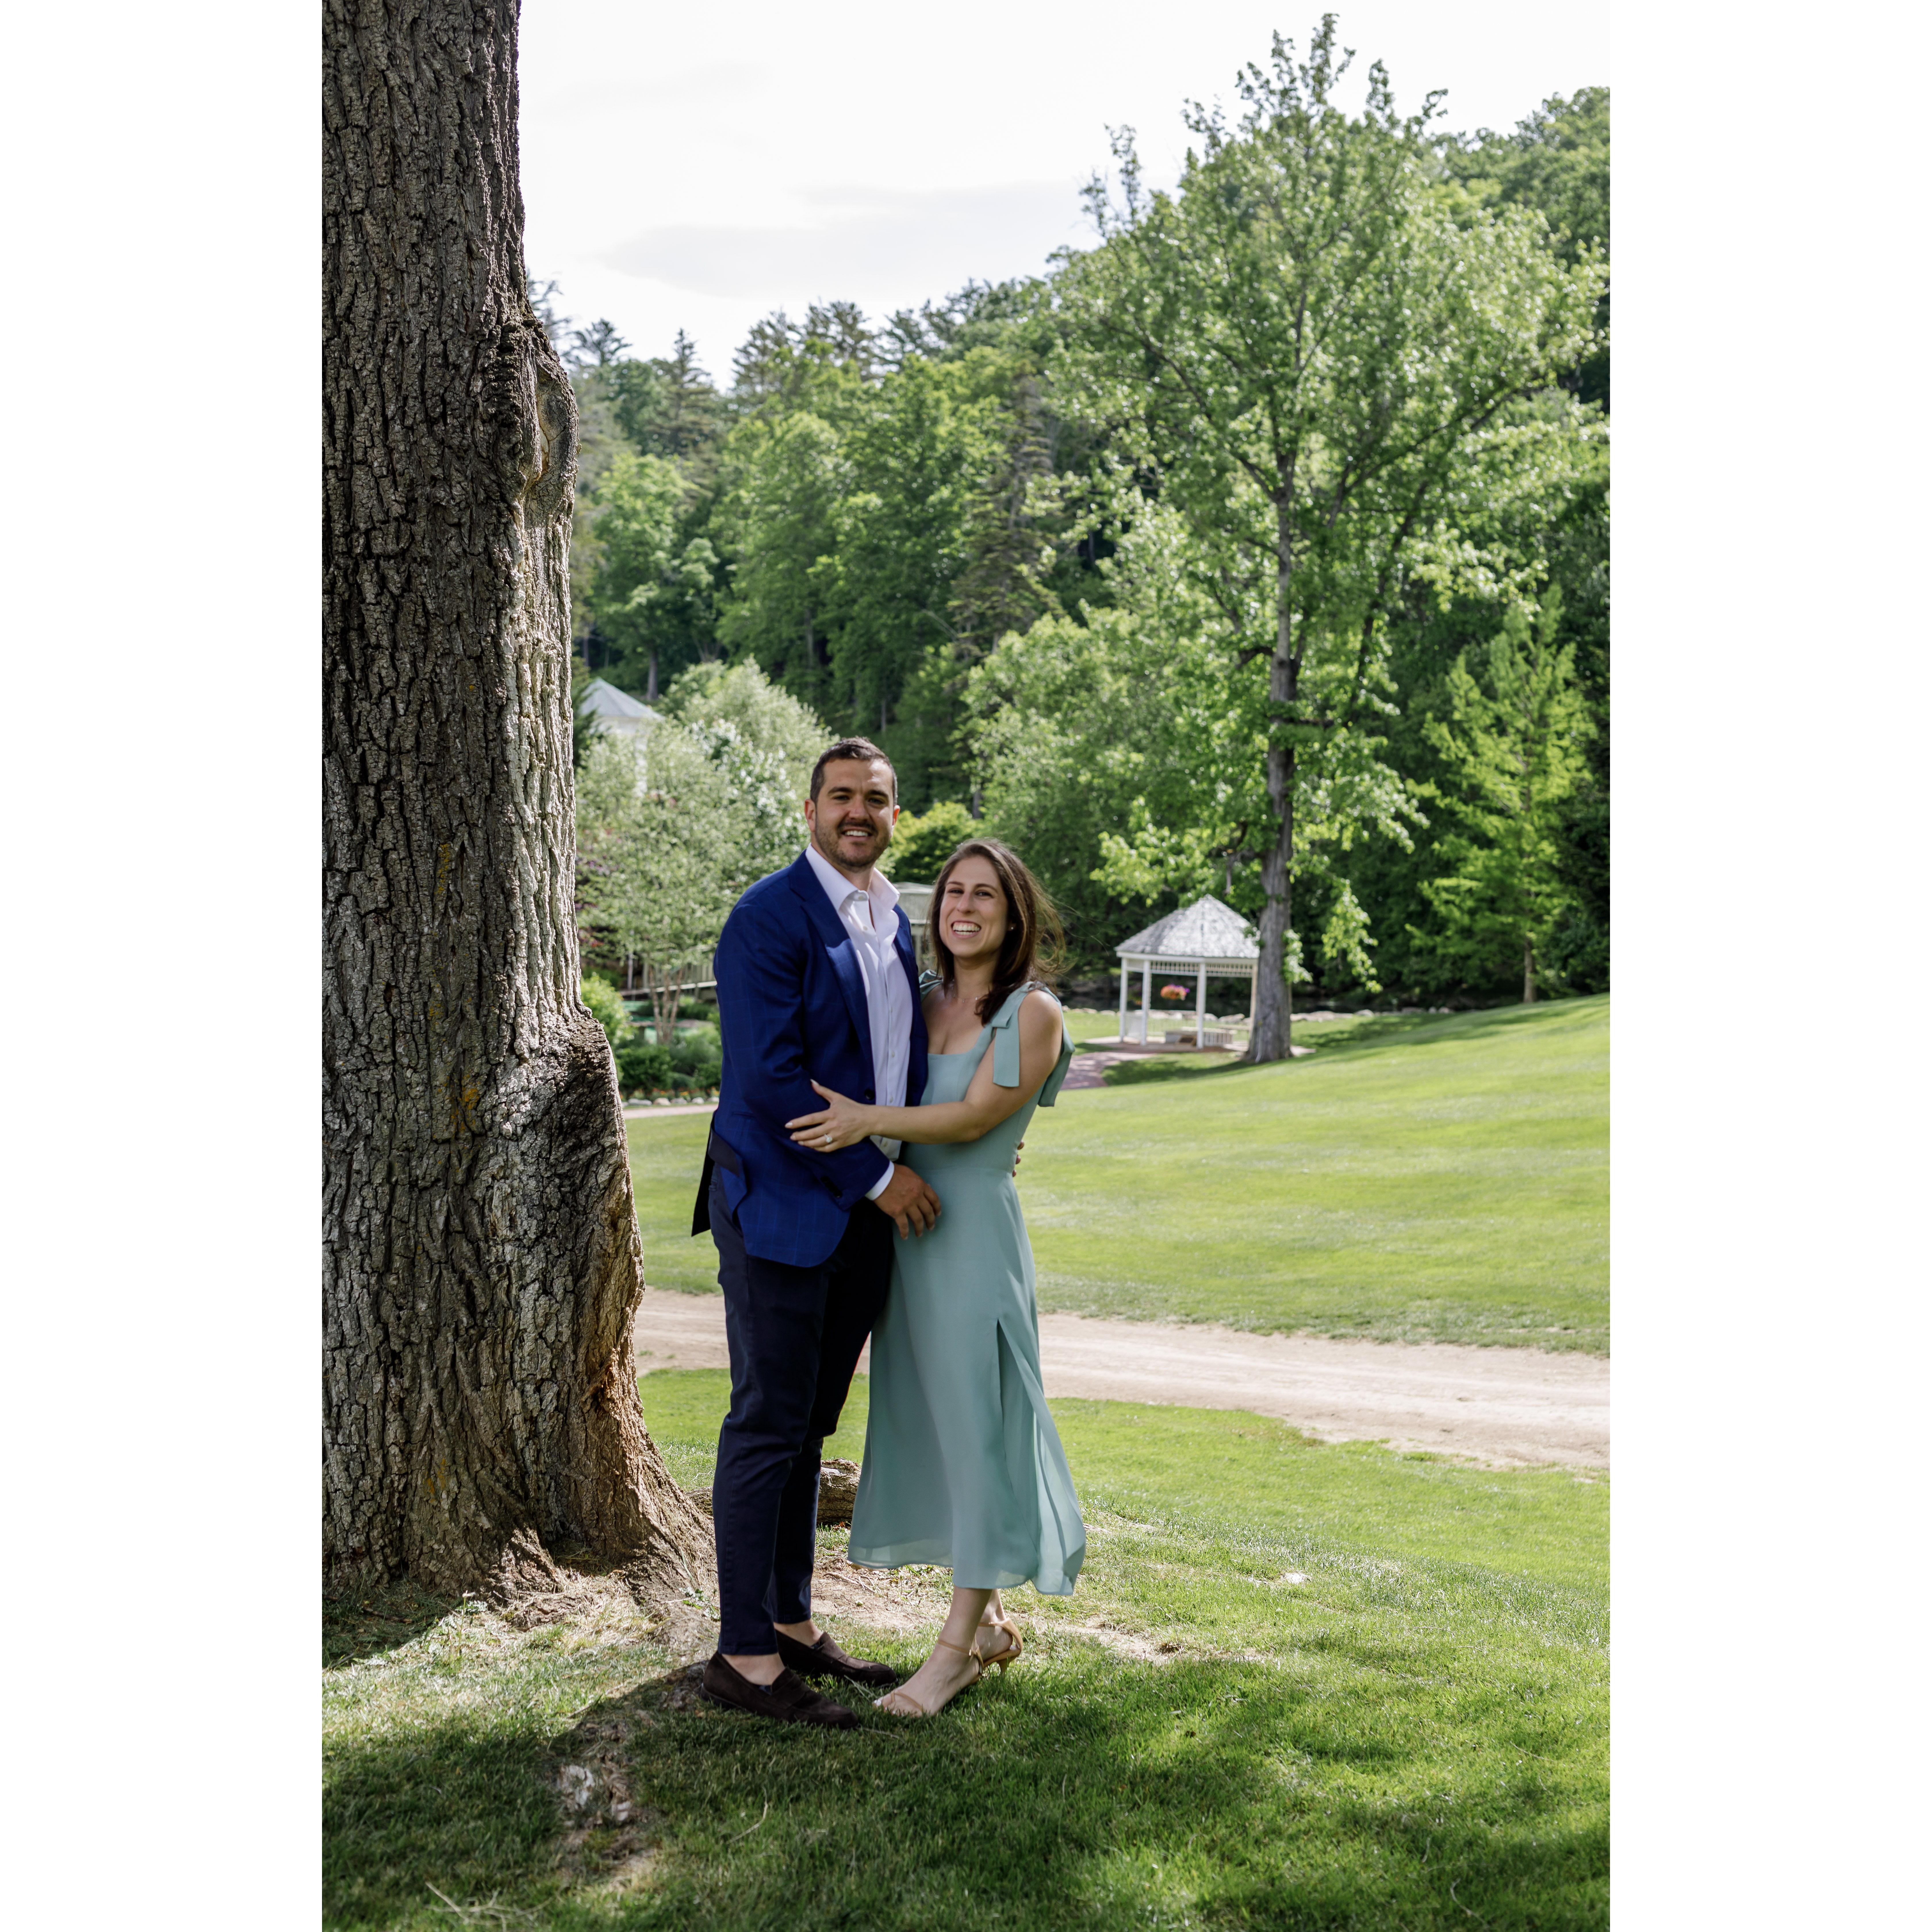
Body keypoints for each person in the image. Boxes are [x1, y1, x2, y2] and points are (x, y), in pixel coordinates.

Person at [785, 837, 1087, 1718]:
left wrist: (865, 1122)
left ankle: (953, 1653)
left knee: (979, 1426)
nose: (965, 906)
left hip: (971, 1239)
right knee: (933, 1424)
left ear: (1013, 912)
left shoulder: (1033, 1012)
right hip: (903, 1233)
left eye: (985, 894)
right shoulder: (917, 1002)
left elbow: (971, 1118)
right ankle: (986, 1619)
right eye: (953, 891)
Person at [693, 737, 942, 1730]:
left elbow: (894, 1068)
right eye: (842, 798)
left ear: (894, 814)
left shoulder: (893, 920)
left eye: (877, 800)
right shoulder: (766, 918)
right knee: (766, 1425)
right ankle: (744, 1658)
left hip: (858, 1226)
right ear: (810, 811)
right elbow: (771, 1078)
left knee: (808, 1430)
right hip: (783, 1212)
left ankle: (790, 1625)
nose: (859, 814)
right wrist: (881, 1177)